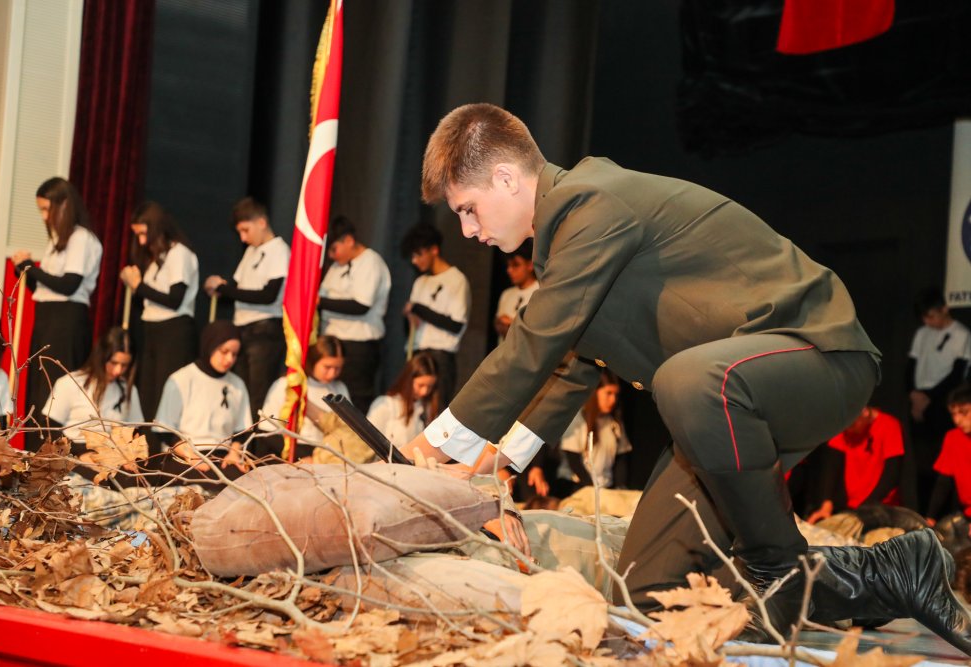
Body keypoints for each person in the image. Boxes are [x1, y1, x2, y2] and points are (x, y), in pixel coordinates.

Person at [400, 103, 971, 652]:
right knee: (650, 595)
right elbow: (567, 366)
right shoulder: (564, 253)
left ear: (505, 178)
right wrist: (492, 467)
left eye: (467, 209)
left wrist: (426, 449)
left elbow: (535, 340)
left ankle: (782, 568)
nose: (468, 230)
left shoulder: (590, 201)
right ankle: (886, 573)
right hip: (726, 405)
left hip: (818, 354)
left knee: (686, 382)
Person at [12, 177, 103, 442]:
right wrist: (26, 270)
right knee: (38, 392)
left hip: (67, 321)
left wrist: (34, 267)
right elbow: (41, 289)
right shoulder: (56, 241)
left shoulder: (81, 238)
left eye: (46, 209)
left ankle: (51, 458)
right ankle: (33, 457)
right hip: (47, 318)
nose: (43, 216)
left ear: (63, 206)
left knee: (55, 392)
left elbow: (69, 284)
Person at [203, 197, 290, 419]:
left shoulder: (279, 250)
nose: (243, 237)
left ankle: (252, 449)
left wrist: (224, 288)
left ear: (261, 222)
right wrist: (219, 288)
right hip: (242, 330)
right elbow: (237, 288)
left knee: (257, 396)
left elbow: (268, 296)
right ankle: (239, 446)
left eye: (245, 230)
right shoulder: (251, 252)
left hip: (265, 331)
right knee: (241, 392)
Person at [119, 201, 199, 420]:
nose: (142, 241)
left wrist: (138, 286)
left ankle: (164, 447)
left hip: (173, 330)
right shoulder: (157, 259)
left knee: (165, 392)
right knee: (148, 393)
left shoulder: (179, 254)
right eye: (137, 235)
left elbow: (175, 299)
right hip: (152, 328)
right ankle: (147, 448)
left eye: (144, 233)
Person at [153, 321, 250, 473]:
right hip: (186, 455)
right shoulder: (181, 379)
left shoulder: (238, 384)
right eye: (224, 352)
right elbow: (164, 432)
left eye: (234, 354)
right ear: (210, 346)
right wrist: (191, 456)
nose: (229, 359)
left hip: (223, 457)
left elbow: (242, 431)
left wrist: (234, 453)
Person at [317, 216, 390, 414]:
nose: (332, 256)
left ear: (348, 240)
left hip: (359, 347)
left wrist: (321, 302)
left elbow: (361, 305)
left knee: (356, 401)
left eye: (334, 249)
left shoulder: (371, 261)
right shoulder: (336, 267)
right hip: (334, 343)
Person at [907, 287, 971, 512]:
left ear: (944, 309)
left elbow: (957, 374)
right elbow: (911, 366)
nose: (928, 321)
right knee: (922, 466)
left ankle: (946, 517)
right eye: (924, 317)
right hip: (919, 402)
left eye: (931, 316)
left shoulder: (961, 335)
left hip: (942, 404)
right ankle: (925, 515)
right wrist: (914, 395)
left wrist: (929, 398)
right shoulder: (922, 333)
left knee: (945, 469)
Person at [401, 222, 471, 405]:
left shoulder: (457, 280)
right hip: (417, 352)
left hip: (441, 356)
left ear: (434, 250)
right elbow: (412, 323)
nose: (414, 261)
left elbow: (456, 325)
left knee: (436, 411)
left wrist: (418, 309)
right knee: (413, 409)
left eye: (418, 254)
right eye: (412, 256)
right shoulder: (420, 282)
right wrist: (410, 316)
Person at [41, 327, 142, 445]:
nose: (118, 371)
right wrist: (79, 454)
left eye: (124, 365)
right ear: (101, 356)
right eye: (113, 363)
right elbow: (49, 428)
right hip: (71, 454)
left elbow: (135, 432)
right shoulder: (70, 383)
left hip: (111, 458)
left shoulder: (129, 390)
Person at [807, 406, 904, 524]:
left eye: (852, 425)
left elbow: (891, 475)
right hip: (850, 508)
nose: (848, 429)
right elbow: (831, 468)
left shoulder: (889, 425)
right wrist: (826, 504)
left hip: (880, 507)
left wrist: (864, 509)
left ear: (865, 413)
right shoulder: (848, 423)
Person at [258, 335, 349, 461]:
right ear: (313, 360)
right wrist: (299, 456)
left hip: (327, 455)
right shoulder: (288, 385)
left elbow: (345, 430)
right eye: (327, 367)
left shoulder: (339, 389)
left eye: (338, 368)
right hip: (293, 452)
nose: (332, 373)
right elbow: (267, 430)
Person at [558, 371, 632, 493]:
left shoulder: (614, 423)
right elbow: (573, 459)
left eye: (615, 395)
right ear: (595, 393)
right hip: (577, 487)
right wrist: (591, 488)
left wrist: (620, 488)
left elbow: (621, 458)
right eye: (608, 393)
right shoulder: (578, 420)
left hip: (604, 488)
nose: (613, 400)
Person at [367, 352, 440, 449]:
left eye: (430, 387)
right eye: (420, 385)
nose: (424, 392)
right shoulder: (385, 405)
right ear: (408, 380)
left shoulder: (428, 409)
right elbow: (367, 443)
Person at [927, 385, 971, 523]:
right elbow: (944, 482)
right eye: (953, 414)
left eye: (964, 412)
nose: (957, 420)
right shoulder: (953, 437)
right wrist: (930, 517)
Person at [494, 240, 538, 344]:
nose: (509, 270)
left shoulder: (540, 291)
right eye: (508, 266)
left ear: (530, 265)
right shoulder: (506, 294)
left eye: (516, 265)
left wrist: (512, 323)